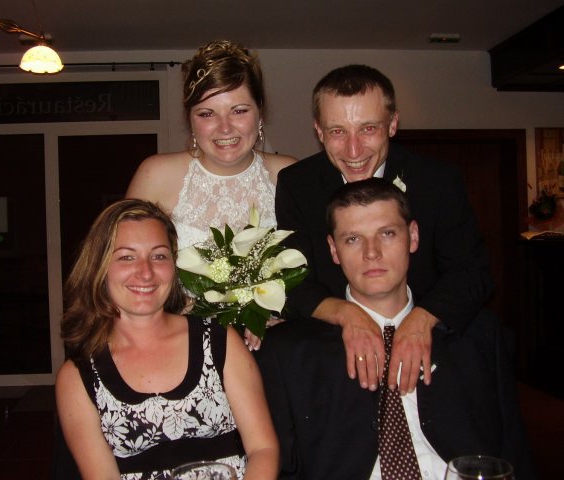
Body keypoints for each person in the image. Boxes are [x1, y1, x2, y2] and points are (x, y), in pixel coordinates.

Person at [256, 178, 534, 479]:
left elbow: (512, 453)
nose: (371, 252)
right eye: (353, 239)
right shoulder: (289, 351)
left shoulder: (476, 335)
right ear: (334, 250)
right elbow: (282, 468)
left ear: (412, 237)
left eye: (387, 233)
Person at [275, 64, 492, 393]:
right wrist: (347, 315)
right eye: (337, 131)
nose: (353, 150)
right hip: (331, 355)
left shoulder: (437, 181)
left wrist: (421, 319)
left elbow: (473, 273)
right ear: (318, 131)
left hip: (430, 351)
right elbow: (292, 281)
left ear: (392, 124)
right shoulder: (297, 184)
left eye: (368, 129)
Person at [55, 199, 278, 479]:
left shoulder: (220, 342)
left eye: (159, 256)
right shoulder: (79, 376)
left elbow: (263, 449)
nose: (146, 272)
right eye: (126, 257)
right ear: (99, 267)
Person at [126, 40, 296, 350]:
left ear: (260, 112)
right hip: (178, 344)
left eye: (239, 110)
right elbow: (121, 268)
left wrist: (280, 312)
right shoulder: (156, 174)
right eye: (207, 114)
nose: (225, 128)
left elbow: (317, 270)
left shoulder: (290, 175)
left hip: (270, 349)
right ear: (190, 119)